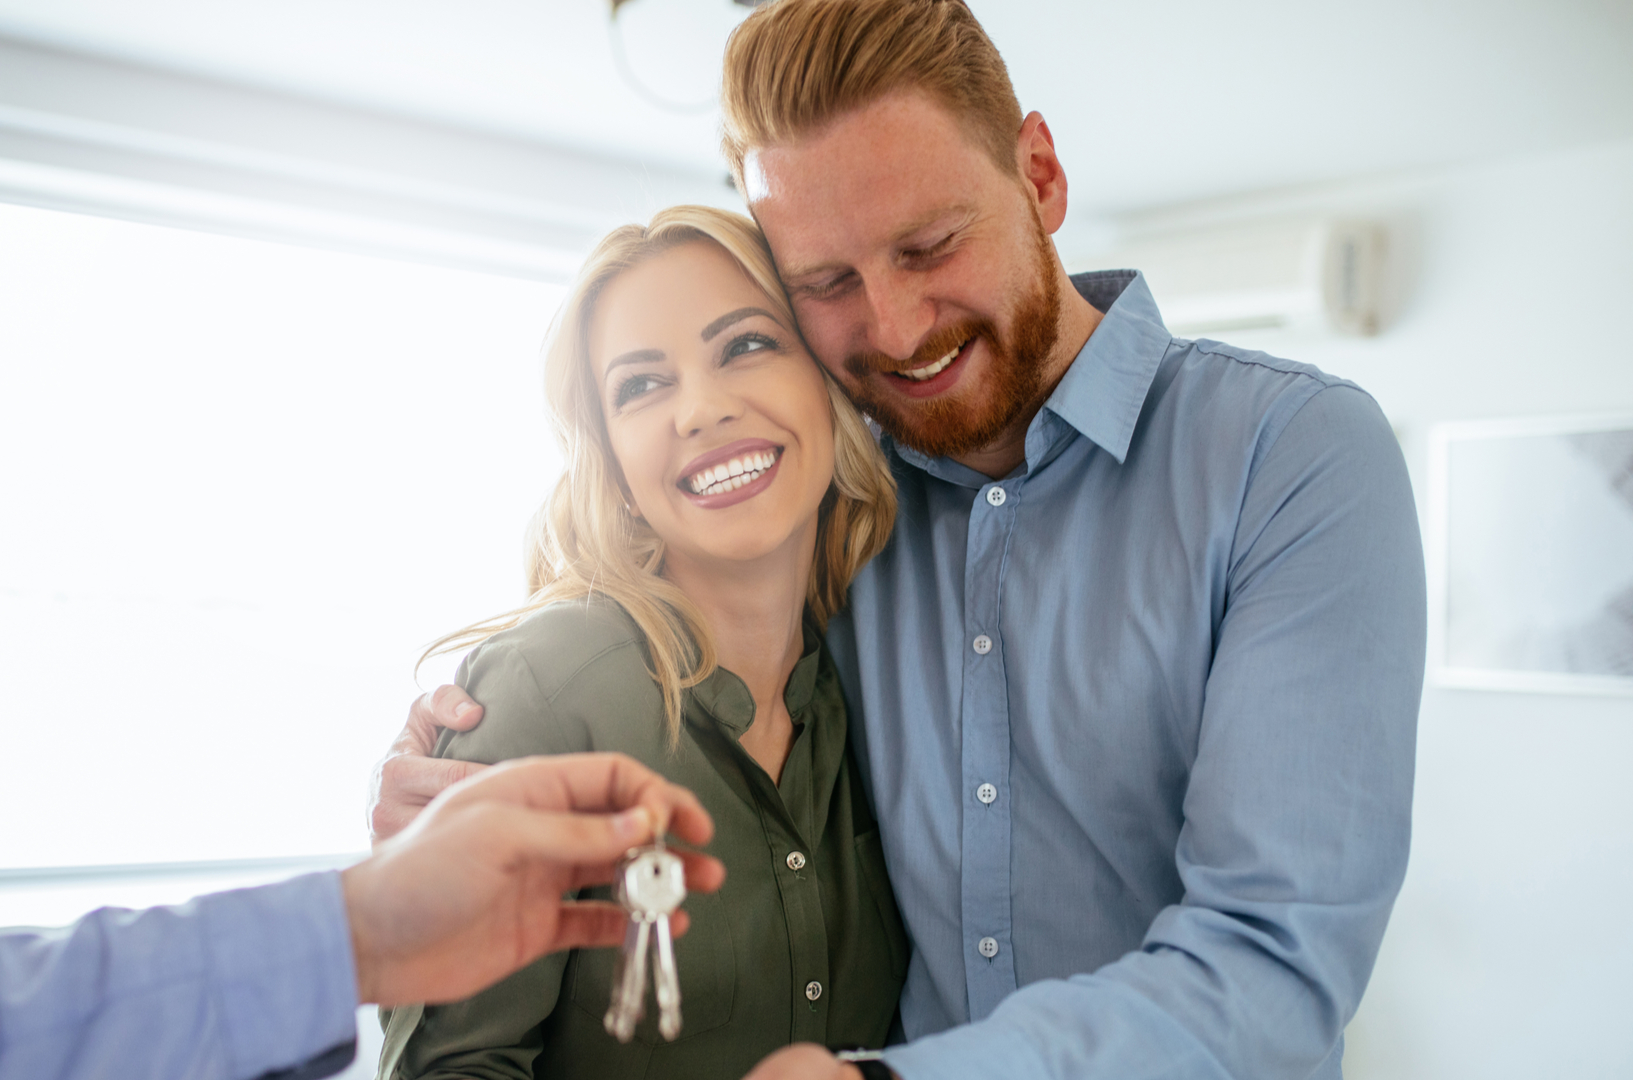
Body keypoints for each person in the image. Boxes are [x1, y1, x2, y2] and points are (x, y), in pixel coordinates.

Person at [372, 1, 1430, 1078]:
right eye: (826, 285)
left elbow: (1275, 963)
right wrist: (458, 766)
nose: (895, 327)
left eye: (929, 245)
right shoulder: (841, 506)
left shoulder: (1288, 456)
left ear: (1042, 177)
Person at [0, 5, 726, 1079]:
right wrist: (358, 933)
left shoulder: (865, 636)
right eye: (643, 382)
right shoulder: (536, 682)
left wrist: (361, 931)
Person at [376, 206, 906, 1079]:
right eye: (641, 386)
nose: (699, 410)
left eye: (744, 346)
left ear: (829, 384)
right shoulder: (542, 694)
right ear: (614, 469)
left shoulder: (880, 666)